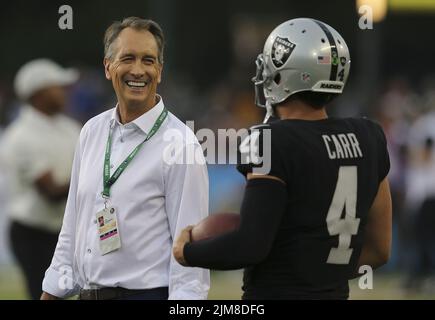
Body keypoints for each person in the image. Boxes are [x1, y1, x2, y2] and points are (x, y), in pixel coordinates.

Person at [174, 18, 392, 299]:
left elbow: (249, 246)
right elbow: (381, 249)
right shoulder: (369, 136)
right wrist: (317, 274)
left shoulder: (269, 140)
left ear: (284, 75)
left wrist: (185, 251)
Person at [41, 17, 210, 300]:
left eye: (148, 60)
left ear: (160, 70)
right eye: (128, 58)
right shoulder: (91, 132)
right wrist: (52, 292)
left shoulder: (181, 145)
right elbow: (72, 228)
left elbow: (189, 255)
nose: (138, 70)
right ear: (108, 67)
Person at [0, 59, 81, 299]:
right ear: (39, 93)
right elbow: (51, 193)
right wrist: (91, 180)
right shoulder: (20, 136)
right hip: (33, 234)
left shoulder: (70, 128)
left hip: (63, 230)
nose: (65, 91)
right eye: (58, 86)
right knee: (42, 294)